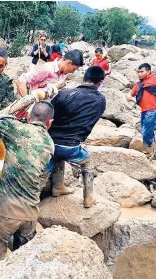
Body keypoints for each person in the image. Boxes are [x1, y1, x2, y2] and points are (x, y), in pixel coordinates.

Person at [0, 102, 55, 268]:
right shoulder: (50, 144)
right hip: (30, 215)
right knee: (23, 263)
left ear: (28, 117)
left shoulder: (17, 129)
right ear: (50, 122)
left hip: (5, 212)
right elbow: (43, 178)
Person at [48, 66, 106, 207]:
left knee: (57, 157)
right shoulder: (100, 101)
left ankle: (58, 187)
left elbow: (48, 114)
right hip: (71, 147)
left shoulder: (63, 93)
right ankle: (88, 198)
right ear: (100, 82)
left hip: (49, 143)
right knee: (87, 161)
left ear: (84, 78)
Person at [17, 49, 84, 96]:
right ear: (69, 63)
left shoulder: (63, 75)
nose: (72, 72)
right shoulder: (46, 69)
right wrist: (26, 100)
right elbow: (21, 80)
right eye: (73, 69)